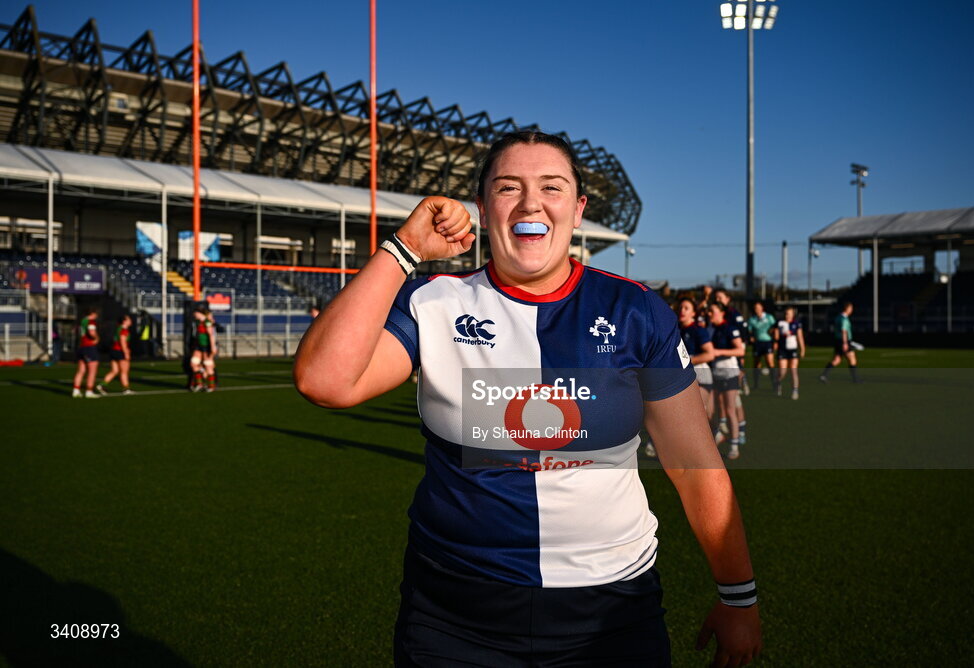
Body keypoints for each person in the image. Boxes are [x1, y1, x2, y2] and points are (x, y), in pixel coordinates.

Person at [294, 131, 761, 667]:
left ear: (578, 210)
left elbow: (695, 466)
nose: (531, 203)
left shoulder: (636, 310)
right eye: (508, 187)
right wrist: (404, 251)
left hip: (611, 611)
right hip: (455, 610)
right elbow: (325, 382)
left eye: (552, 187)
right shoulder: (435, 301)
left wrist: (738, 597)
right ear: (483, 207)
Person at [707, 302, 746, 460]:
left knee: (730, 410)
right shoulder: (711, 330)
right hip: (715, 374)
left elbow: (740, 350)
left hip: (730, 373)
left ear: (722, 313)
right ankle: (719, 436)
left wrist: (718, 352)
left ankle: (734, 445)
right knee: (715, 410)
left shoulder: (730, 328)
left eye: (713, 311)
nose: (710, 314)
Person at [678, 297, 716, 427]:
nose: (682, 311)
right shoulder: (677, 329)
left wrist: (687, 361)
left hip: (701, 373)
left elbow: (710, 354)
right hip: (684, 375)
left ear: (694, 313)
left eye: (686, 308)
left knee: (699, 415)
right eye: (680, 308)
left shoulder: (698, 330)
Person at [820, 301, 859, 384]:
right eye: (851, 308)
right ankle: (855, 379)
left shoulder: (838, 317)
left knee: (837, 359)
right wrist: (845, 343)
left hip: (838, 340)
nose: (852, 310)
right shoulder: (844, 319)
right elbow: (844, 331)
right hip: (844, 341)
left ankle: (824, 375)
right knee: (852, 358)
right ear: (847, 308)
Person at [774, 306, 805, 399]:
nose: (788, 315)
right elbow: (775, 335)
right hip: (782, 349)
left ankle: (795, 390)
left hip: (793, 349)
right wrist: (775, 340)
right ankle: (778, 382)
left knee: (793, 370)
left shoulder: (797, 324)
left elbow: (800, 336)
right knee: (782, 372)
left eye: (790, 314)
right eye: (787, 313)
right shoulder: (779, 323)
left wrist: (802, 349)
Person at [98, 314, 134, 395]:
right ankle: (126, 389)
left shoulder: (118, 329)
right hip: (120, 351)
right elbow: (122, 341)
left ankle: (102, 385)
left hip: (113, 351)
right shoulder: (124, 330)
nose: (130, 321)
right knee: (124, 371)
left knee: (115, 371)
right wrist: (126, 353)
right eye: (129, 319)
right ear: (124, 321)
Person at [71, 308, 101, 398]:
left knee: (81, 370)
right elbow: (91, 332)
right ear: (92, 313)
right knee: (92, 371)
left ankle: (76, 390)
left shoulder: (82, 321)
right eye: (96, 313)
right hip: (89, 347)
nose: (97, 316)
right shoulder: (90, 321)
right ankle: (89, 391)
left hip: (81, 346)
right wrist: (96, 338)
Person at [747, 301, 777, 391]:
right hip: (757, 343)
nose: (757, 310)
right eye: (755, 308)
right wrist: (751, 337)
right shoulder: (752, 319)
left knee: (770, 363)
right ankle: (756, 383)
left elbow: (775, 327)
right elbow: (749, 331)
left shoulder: (769, 317)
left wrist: (775, 339)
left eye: (758, 307)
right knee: (756, 364)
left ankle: (775, 384)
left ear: (762, 308)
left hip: (768, 342)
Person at [188, 307, 218, 392]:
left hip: (206, 346)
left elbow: (211, 335)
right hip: (199, 346)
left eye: (196, 313)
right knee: (193, 363)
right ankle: (199, 383)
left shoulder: (207, 322)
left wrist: (212, 347)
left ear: (199, 313)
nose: (194, 315)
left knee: (208, 365)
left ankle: (211, 385)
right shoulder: (198, 322)